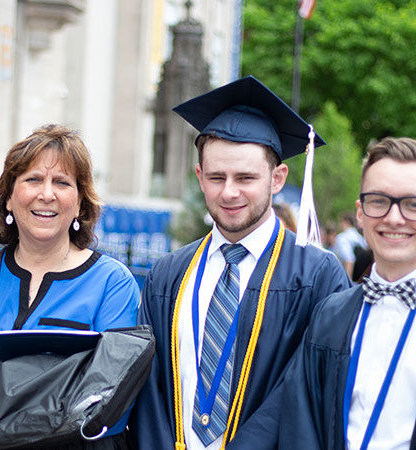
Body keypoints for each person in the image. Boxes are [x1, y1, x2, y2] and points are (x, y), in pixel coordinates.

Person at [131, 75, 351, 450]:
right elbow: (149, 391)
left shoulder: (316, 275)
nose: (229, 192)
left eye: (246, 177)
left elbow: (309, 388)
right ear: (200, 177)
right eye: (217, 177)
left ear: (277, 178)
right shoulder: (168, 275)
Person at [279, 137, 416, 449]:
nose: (394, 218)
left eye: (414, 205)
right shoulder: (331, 314)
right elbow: (300, 423)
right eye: (379, 201)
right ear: (360, 212)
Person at [0, 124, 140, 450]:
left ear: (80, 204)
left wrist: (4, 399)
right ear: (8, 199)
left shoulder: (111, 284)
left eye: (62, 182)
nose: (47, 194)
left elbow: (111, 404)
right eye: (32, 180)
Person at [332, 211, 368, 280]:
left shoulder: (342, 238)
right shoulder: (360, 237)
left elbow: (349, 260)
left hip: (349, 278)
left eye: (341, 222)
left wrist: (347, 283)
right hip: (361, 278)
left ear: (346, 222)